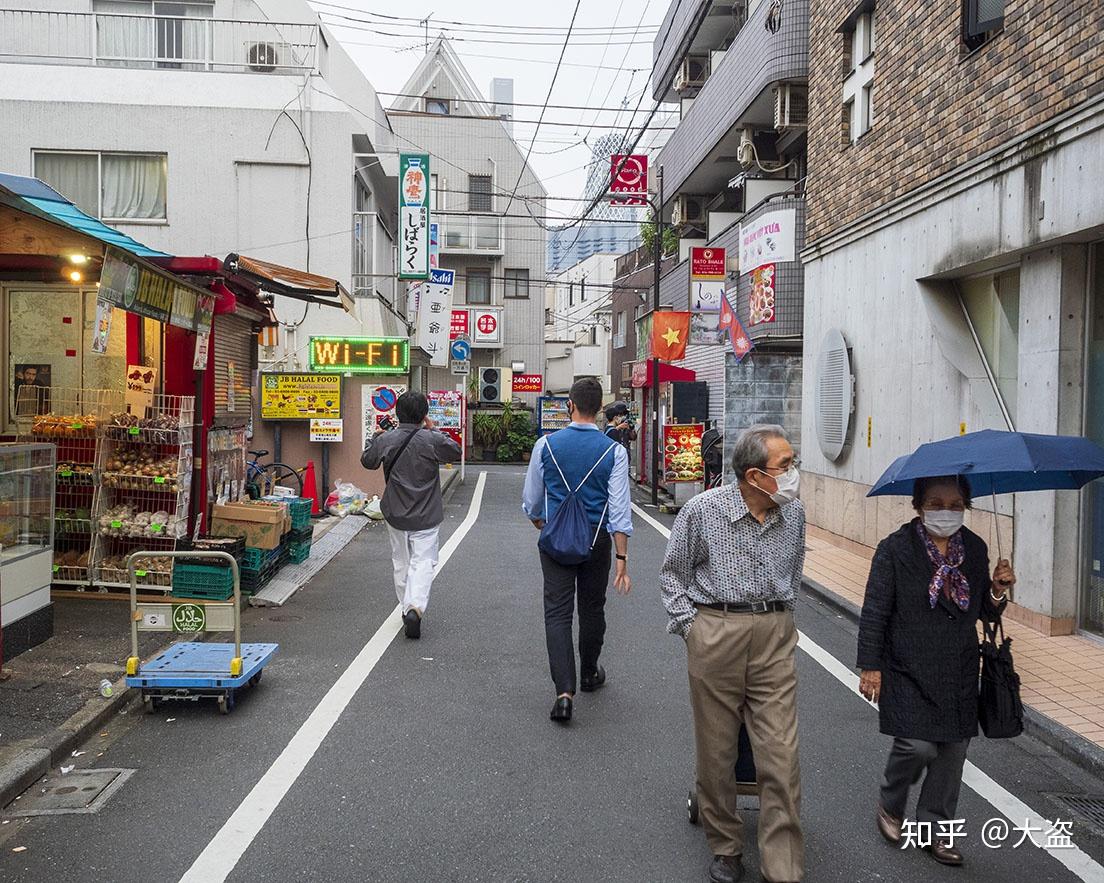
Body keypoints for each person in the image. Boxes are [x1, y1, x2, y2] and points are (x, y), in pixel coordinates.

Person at [661, 424, 805, 883]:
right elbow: (673, 575)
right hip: (715, 630)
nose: (793, 474)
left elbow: (795, 567)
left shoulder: (794, 514)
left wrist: (781, 617)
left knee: (781, 752)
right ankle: (726, 846)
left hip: (773, 634)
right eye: (785, 466)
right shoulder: (704, 511)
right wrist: (693, 629)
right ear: (753, 475)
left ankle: (782, 865)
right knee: (717, 750)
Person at [857, 475, 1014, 867]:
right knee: (917, 745)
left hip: (959, 667)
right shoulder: (895, 549)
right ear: (918, 505)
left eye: (956, 504)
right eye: (936, 503)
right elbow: (875, 610)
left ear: (967, 506)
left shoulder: (975, 549)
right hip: (906, 665)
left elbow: (983, 611)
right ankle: (891, 802)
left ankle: (934, 830)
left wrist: (997, 589)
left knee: (952, 753)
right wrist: (870, 666)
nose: (946, 511)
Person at [523, 377, 633, 724]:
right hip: (596, 540)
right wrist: (621, 559)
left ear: (570, 404)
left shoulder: (546, 445)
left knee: (556, 613)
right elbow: (619, 510)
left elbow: (531, 500)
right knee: (591, 607)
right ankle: (588, 672)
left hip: (556, 540)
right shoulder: (613, 451)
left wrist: (545, 524)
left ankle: (564, 693)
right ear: (600, 408)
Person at [361, 391, 461, 639]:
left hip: (395, 511)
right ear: (424, 415)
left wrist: (374, 438)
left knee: (401, 561)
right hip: (427, 512)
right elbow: (455, 451)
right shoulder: (431, 440)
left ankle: (407, 608)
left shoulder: (387, 439)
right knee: (423, 561)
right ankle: (415, 606)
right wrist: (434, 429)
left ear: (397, 413)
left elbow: (368, 461)